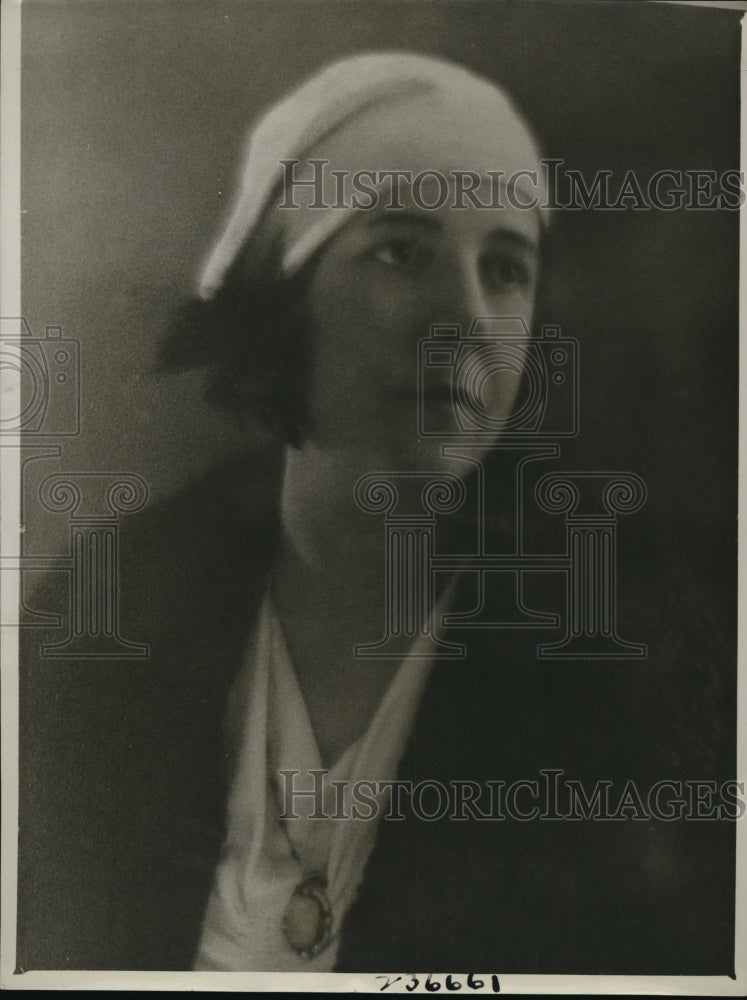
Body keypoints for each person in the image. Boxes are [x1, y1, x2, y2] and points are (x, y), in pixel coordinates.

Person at [17, 51, 735, 975]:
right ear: (283, 294)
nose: (468, 317)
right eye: (401, 251)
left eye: (506, 269)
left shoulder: (627, 670)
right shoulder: (94, 621)